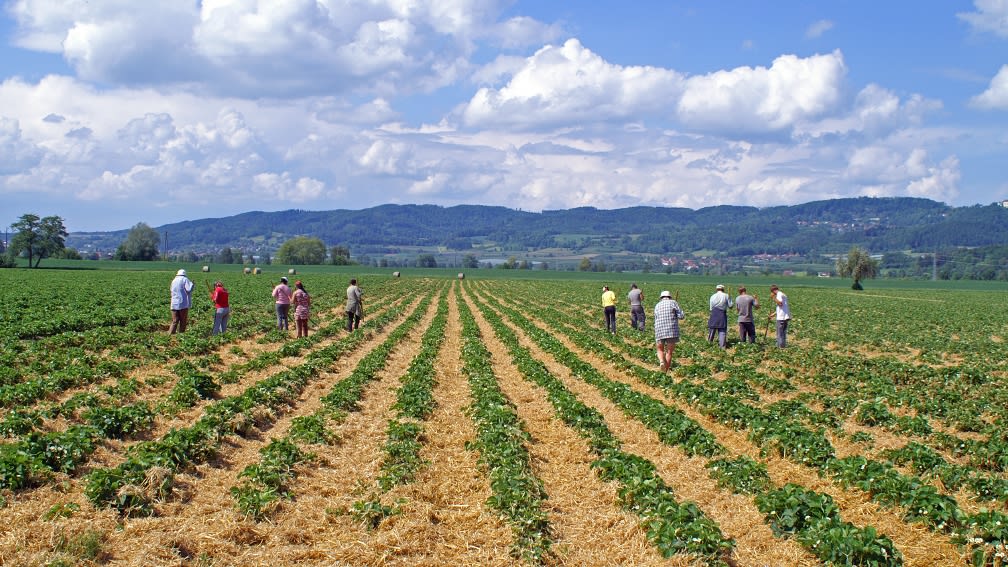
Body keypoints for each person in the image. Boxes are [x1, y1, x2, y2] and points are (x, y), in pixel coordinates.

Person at [654, 290, 685, 372]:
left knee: (660, 349)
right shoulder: (673, 302)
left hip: (659, 330)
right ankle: (665, 371)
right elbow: (681, 316)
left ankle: (661, 361)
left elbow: (656, 317)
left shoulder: (657, 305)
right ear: (669, 297)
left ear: (661, 298)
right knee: (669, 352)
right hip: (671, 330)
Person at [168, 269, 194, 334]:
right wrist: (192, 284)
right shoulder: (185, 279)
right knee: (183, 320)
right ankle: (181, 334)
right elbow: (188, 289)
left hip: (174, 303)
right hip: (183, 303)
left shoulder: (174, 280)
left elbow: (171, 289)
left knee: (175, 320)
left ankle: (170, 334)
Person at [707, 284, 733, 348]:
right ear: (723, 289)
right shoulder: (726, 295)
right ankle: (722, 346)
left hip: (714, 314)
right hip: (722, 314)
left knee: (712, 329)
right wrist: (730, 300)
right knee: (722, 331)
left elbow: (710, 308)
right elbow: (730, 306)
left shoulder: (712, 296)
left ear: (716, 289)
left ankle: (709, 344)